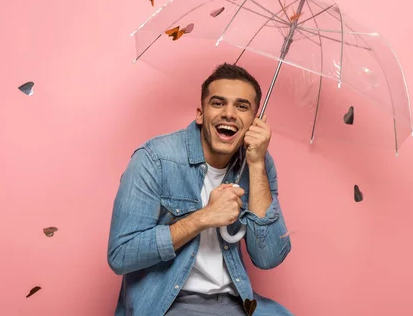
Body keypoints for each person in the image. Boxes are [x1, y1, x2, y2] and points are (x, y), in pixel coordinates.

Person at [107, 63, 293, 316]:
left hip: (235, 301)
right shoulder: (155, 159)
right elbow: (121, 255)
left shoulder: (258, 162)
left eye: (242, 106)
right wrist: (204, 217)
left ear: (254, 122)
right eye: (218, 103)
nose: (229, 114)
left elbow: (268, 257)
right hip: (168, 303)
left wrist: (257, 164)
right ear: (200, 114)